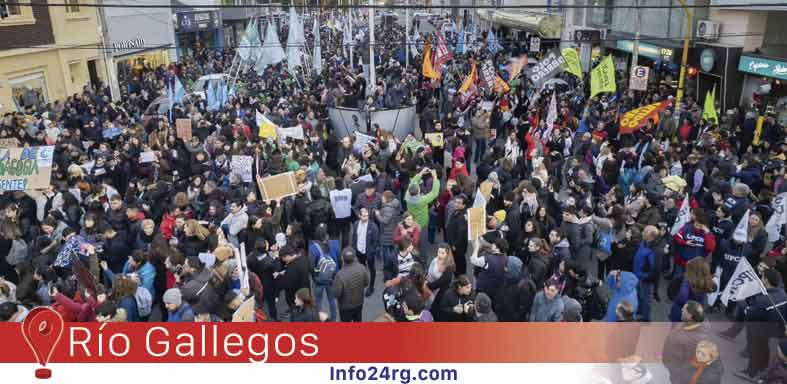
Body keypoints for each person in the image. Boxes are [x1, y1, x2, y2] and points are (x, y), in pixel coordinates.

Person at [742, 269, 787, 380]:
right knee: (765, 352)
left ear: (766, 280)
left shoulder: (764, 300)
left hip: (761, 332)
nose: (761, 279)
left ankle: (752, 374)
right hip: (776, 331)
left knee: (756, 351)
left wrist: (742, 302)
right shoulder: (783, 294)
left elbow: (749, 314)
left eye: (762, 277)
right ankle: (758, 370)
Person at [662, 300, 710, 382]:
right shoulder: (686, 324)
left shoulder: (696, 339)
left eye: (684, 309)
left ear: (690, 315)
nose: (681, 310)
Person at [670, 258, 716, 322]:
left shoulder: (687, 282)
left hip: (682, 313)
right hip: (696, 314)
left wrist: (685, 281)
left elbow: (681, 297)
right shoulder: (706, 282)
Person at [331, 248, 369, 322]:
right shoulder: (362, 268)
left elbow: (336, 294)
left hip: (345, 306)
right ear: (355, 257)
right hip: (359, 302)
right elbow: (366, 283)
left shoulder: (340, 275)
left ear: (343, 259)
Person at [351, 207, 380, 297]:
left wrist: (371, 252)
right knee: (362, 268)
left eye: (367, 216)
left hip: (369, 252)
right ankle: (363, 282)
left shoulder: (373, 226)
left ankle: (371, 286)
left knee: (372, 269)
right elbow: (354, 237)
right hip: (359, 251)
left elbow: (376, 242)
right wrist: (354, 249)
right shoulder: (356, 224)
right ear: (359, 216)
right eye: (363, 216)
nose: (366, 218)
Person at [633, 226, 659, 321]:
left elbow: (654, 269)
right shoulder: (643, 242)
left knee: (646, 298)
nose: (643, 232)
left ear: (651, 236)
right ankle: (640, 310)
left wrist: (645, 277)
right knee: (639, 295)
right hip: (637, 275)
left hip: (645, 279)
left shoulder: (654, 250)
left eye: (645, 231)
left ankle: (646, 318)